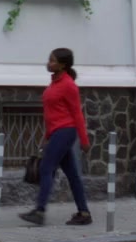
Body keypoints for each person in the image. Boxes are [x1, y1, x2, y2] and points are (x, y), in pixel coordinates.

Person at [19, 47, 92, 226]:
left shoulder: (68, 85)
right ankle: (84, 213)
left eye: (53, 61)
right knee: (72, 174)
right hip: (57, 132)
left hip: (65, 131)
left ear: (63, 65)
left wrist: (84, 140)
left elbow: (77, 114)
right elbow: (52, 113)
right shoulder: (54, 83)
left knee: (46, 168)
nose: (49, 63)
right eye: (49, 59)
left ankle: (40, 211)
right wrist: (47, 136)